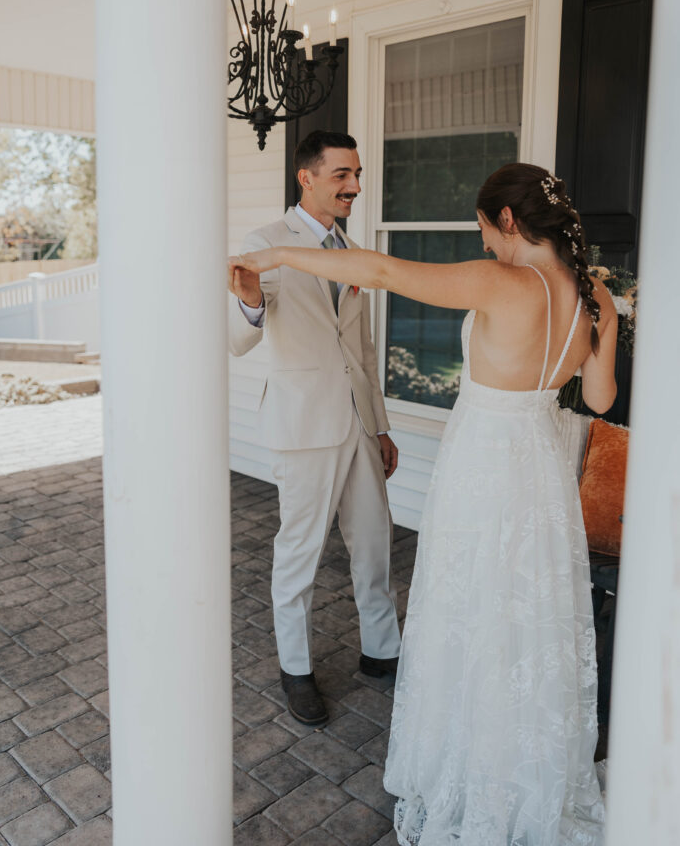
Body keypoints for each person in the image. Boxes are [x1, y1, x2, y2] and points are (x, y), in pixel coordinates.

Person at [229, 162, 617, 846]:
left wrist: (279, 253)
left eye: (484, 232)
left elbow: (380, 271)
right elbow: (597, 400)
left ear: (504, 221)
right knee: (529, 619)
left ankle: (469, 764)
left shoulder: (501, 281)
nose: (487, 246)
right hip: (542, 471)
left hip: (485, 469)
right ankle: (529, 768)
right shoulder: (595, 299)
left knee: (471, 608)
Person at [228, 130, 401, 727]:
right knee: (299, 552)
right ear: (307, 177)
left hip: (358, 424)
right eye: (342, 175)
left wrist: (379, 428)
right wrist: (249, 301)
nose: (355, 185)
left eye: (357, 174)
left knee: (375, 544)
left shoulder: (349, 248)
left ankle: (382, 653)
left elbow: (362, 346)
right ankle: (295, 669)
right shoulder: (266, 243)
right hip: (303, 424)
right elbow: (236, 338)